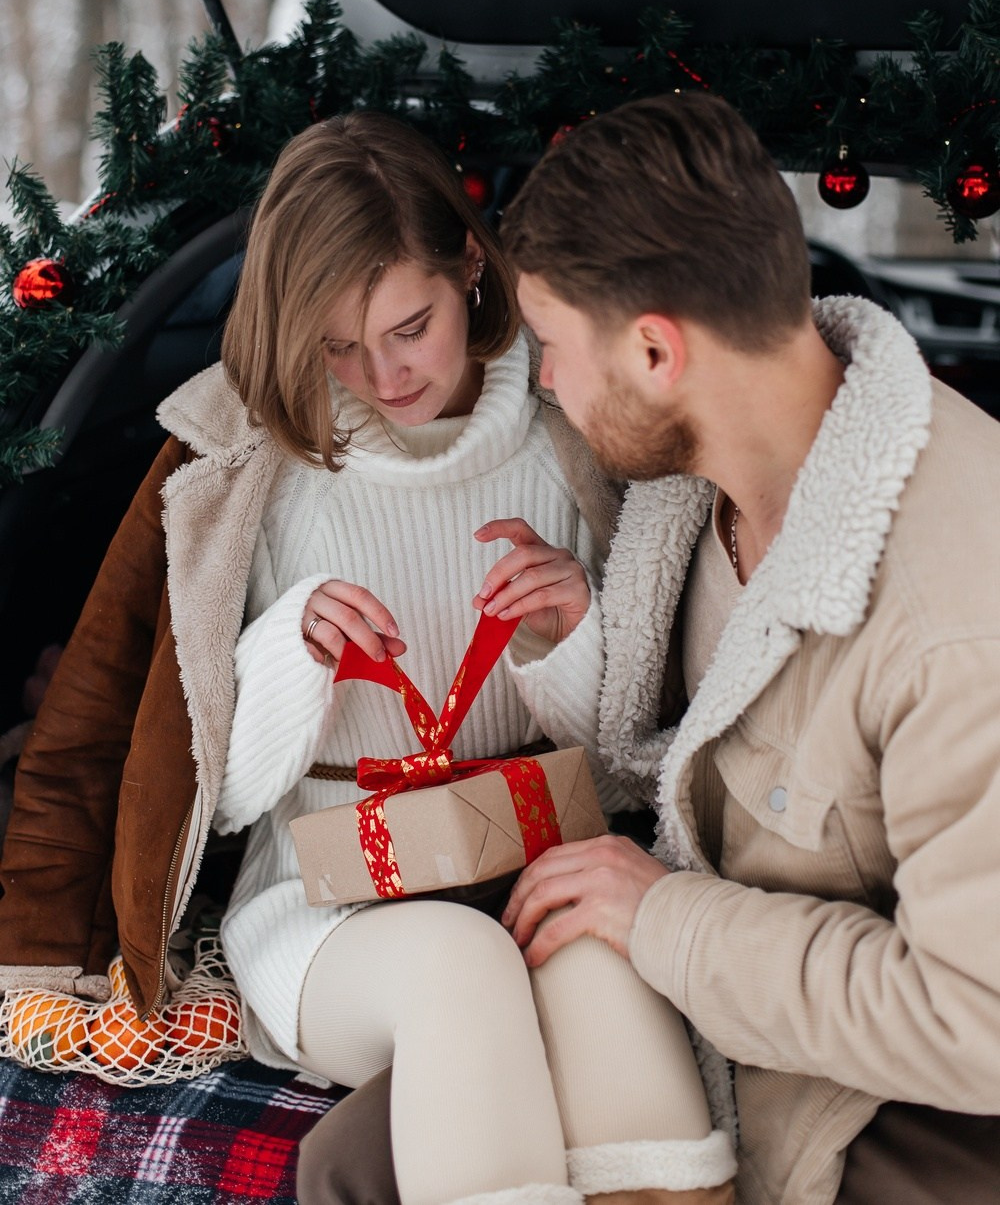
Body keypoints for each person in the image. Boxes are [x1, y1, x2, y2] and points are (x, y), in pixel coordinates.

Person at [0, 112, 736, 1205]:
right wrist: (288, 652)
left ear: (470, 271)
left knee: (605, 973)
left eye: (409, 326)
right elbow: (211, 790)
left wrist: (572, 631)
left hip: (534, 849)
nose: (381, 375)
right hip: (314, 898)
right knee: (457, 967)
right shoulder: (243, 463)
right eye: (337, 346)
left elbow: (631, 767)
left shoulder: (574, 425)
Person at [305, 90, 1000, 1205]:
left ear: (654, 349)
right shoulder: (695, 495)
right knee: (348, 1159)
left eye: (551, 346)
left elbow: (977, 1023)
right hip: (694, 981)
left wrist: (662, 921)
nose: (540, 381)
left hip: (891, 1093)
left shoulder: (955, 621)